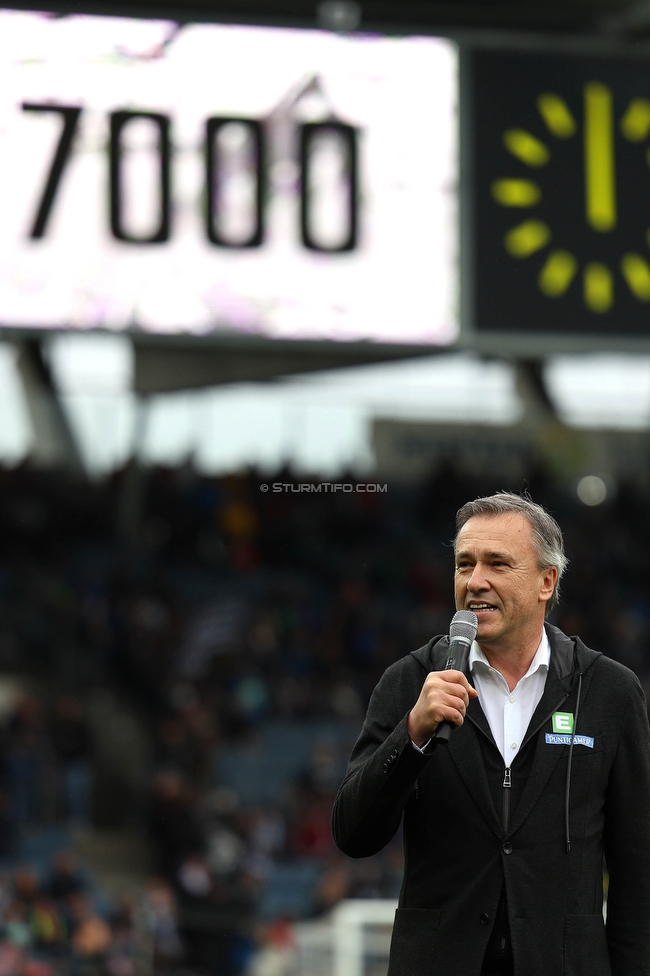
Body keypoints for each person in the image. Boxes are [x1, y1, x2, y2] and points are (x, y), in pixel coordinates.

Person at [332, 492, 650, 976]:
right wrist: (411, 736)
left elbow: (637, 870)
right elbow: (353, 835)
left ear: (547, 581)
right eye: (464, 564)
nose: (475, 581)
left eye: (497, 564)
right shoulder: (408, 682)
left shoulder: (609, 691)